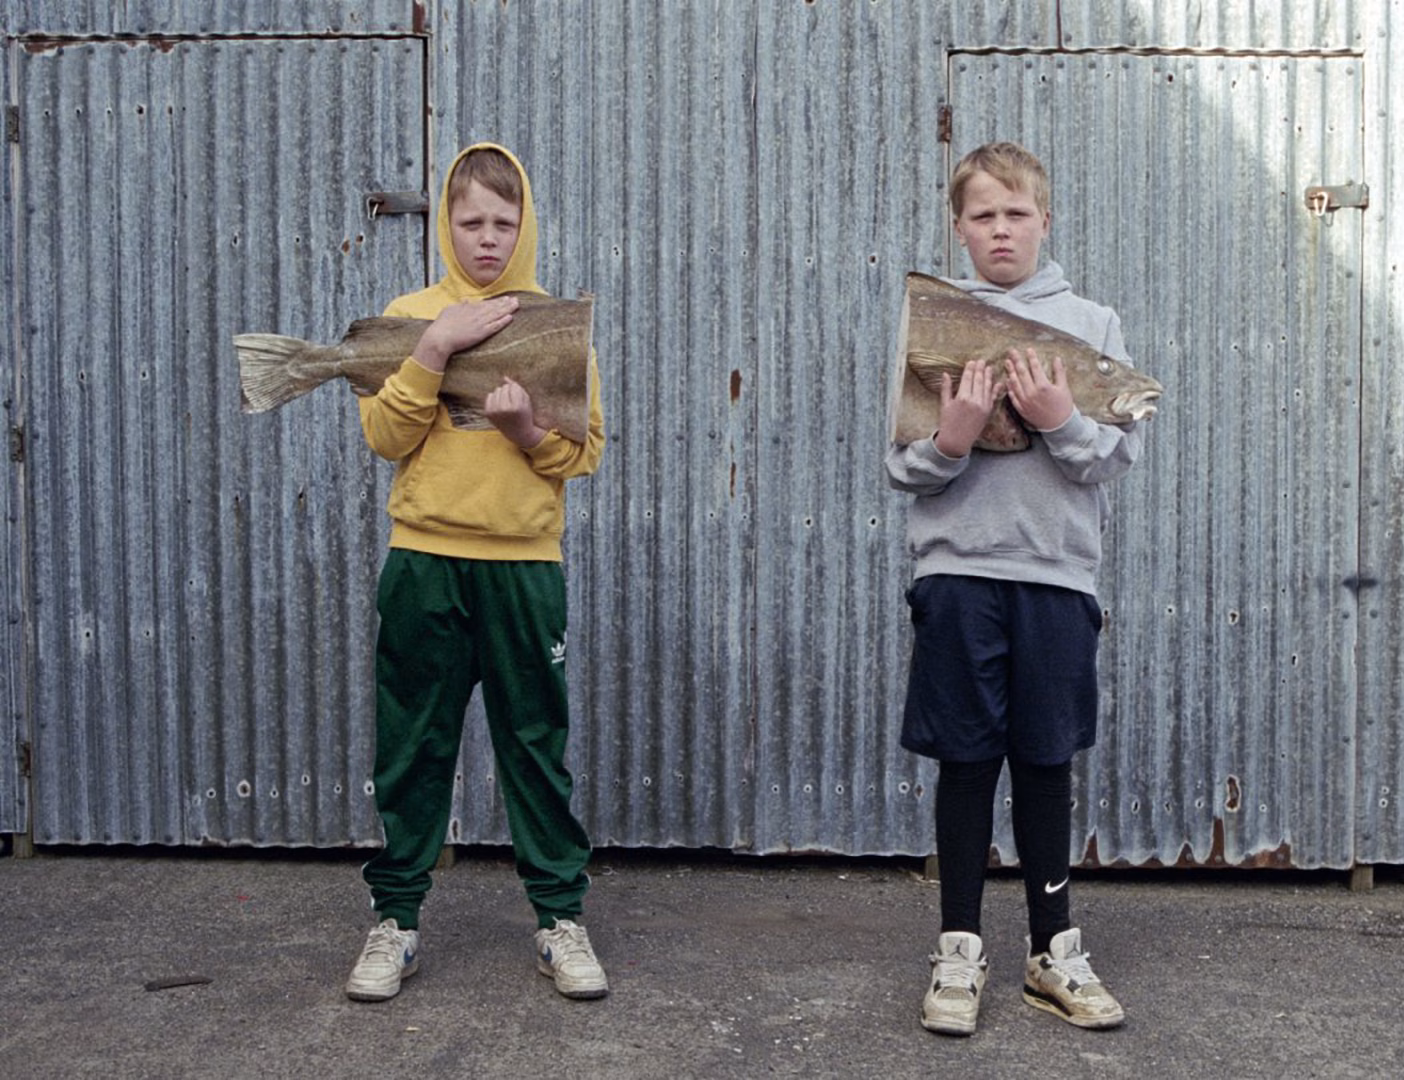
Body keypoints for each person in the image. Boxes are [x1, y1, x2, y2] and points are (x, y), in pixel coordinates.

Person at [885, 141, 1141, 1035]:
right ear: (959, 228)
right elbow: (903, 468)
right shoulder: (936, 324)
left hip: (1055, 580)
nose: (1001, 229)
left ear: (1045, 219)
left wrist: (1059, 418)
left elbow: (1112, 458)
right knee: (966, 761)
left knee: (1044, 762)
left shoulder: (1091, 325)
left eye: (1017, 213)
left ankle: (1052, 951)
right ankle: (958, 948)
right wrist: (953, 439)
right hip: (957, 575)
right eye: (983, 215)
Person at [344, 142, 608, 1003]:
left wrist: (529, 431)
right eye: (470, 222)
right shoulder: (409, 313)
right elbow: (385, 437)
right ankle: (397, 923)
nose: (487, 238)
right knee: (415, 743)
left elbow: (586, 451)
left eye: (504, 221)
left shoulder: (554, 324)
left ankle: (559, 920)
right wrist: (433, 350)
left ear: (524, 223)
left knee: (535, 744)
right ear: (446, 226)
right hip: (424, 561)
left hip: (524, 567)